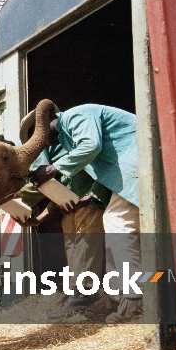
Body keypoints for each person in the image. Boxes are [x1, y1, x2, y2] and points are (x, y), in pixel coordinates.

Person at [27, 103, 141, 324]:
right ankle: (118, 298)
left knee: (118, 222)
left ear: (50, 118)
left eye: (39, 134)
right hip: (130, 169)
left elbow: (91, 145)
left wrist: (52, 169)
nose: (40, 142)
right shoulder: (67, 140)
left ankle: (136, 300)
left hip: (138, 160)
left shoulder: (75, 116)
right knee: (113, 227)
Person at [15, 105, 111, 319]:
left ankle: (86, 292)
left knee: (86, 243)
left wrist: (90, 197)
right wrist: (42, 216)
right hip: (71, 204)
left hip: (90, 199)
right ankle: (75, 293)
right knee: (73, 245)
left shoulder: (76, 136)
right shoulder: (54, 151)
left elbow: (96, 167)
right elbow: (61, 182)